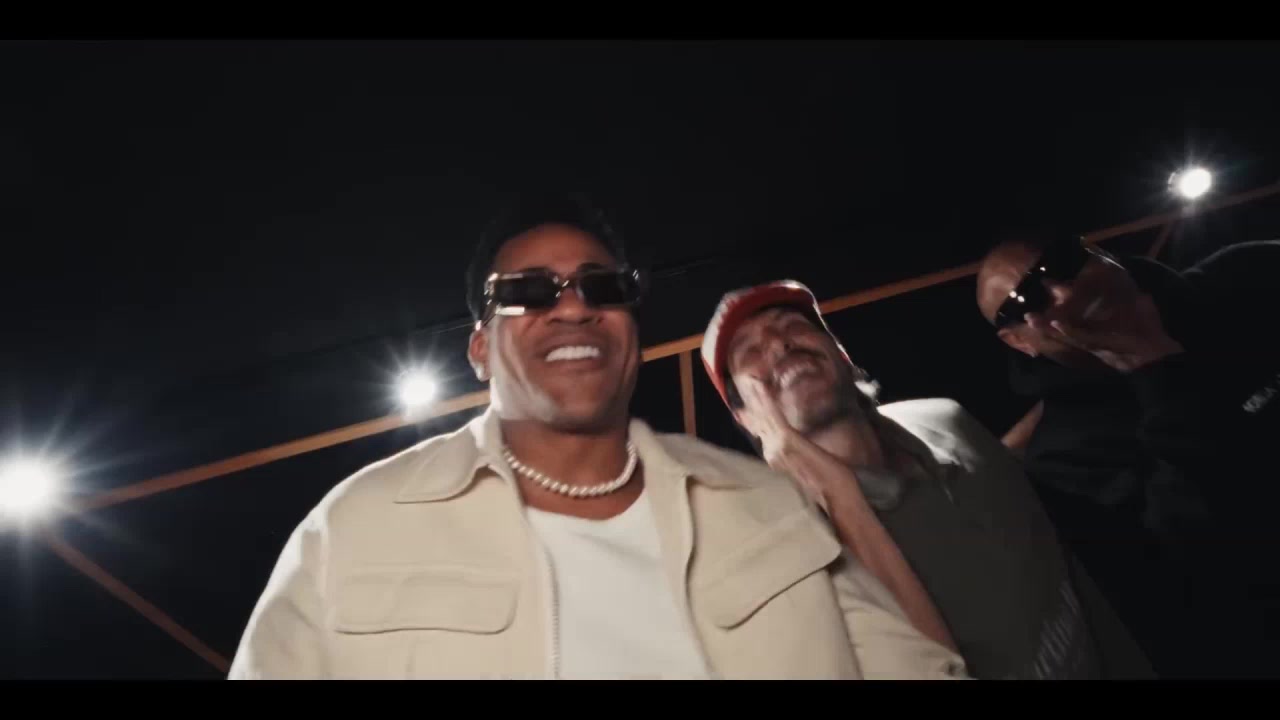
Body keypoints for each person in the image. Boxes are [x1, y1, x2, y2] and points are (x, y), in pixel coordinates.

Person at [227, 194, 967, 680]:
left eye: (603, 286)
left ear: (632, 328)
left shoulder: (761, 503)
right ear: (480, 349)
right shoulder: (358, 526)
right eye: (528, 293)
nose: (574, 307)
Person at [700, 280, 1150, 680]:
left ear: (842, 354)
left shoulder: (946, 419)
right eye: (749, 351)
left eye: (793, 326)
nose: (779, 343)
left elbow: (1061, 567)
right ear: (746, 418)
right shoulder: (788, 555)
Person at [976, 233, 1280, 677]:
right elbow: (1200, 564)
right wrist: (1157, 370)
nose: (1064, 292)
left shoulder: (1250, 274)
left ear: (1101, 253)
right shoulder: (1066, 458)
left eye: (1064, 263)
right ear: (1020, 341)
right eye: (1029, 299)